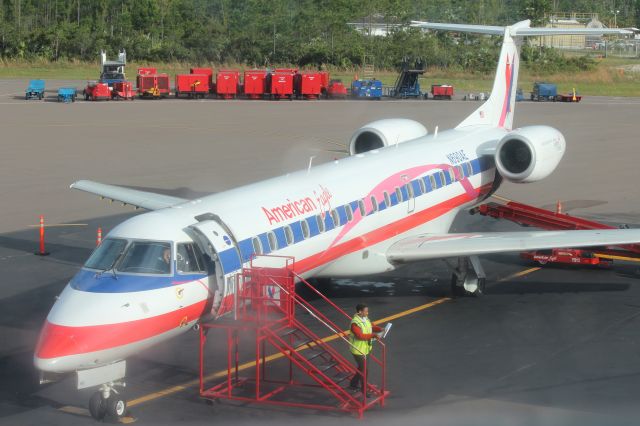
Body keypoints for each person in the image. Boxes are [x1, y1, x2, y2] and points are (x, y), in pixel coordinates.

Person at [348, 303, 383, 396]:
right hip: (358, 350)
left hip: (366, 348)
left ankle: (353, 384)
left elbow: (370, 326)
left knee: (361, 368)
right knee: (364, 370)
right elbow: (360, 336)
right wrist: (374, 335)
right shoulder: (355, 323)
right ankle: (363, 390)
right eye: (366, 311)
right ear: (360, 312)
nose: (367, 313)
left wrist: (380, 329)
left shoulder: (365, 319)